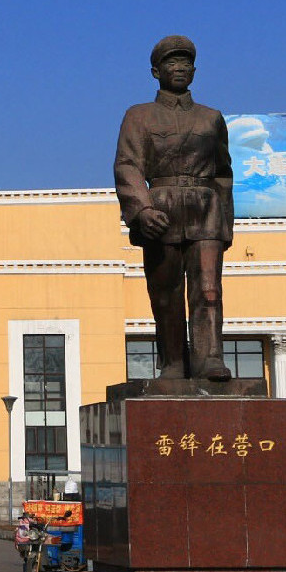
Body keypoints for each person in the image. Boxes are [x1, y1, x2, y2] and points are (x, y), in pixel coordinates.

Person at [114, 35, 234, 381]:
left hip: (205, 210)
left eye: (186, 63)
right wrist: (142, 209)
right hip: (161, 211)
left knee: (208, 289)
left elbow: (224, 173)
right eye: (171, 63)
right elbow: (127, 165)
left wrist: (225, 224)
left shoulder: (211, 119)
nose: (180, 68)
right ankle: (173, 361)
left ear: (194, 70)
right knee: (166, 295)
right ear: (156, 71)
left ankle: (209, 358)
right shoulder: (139, 116)